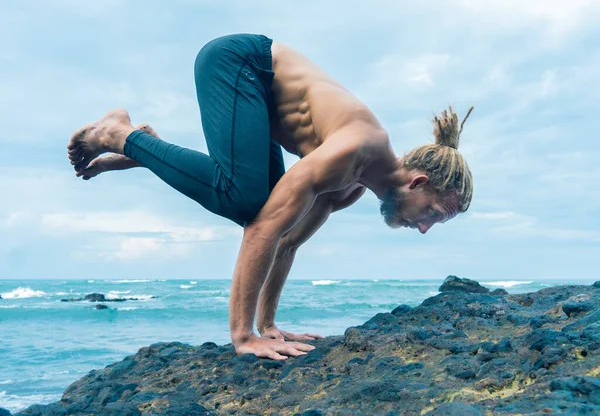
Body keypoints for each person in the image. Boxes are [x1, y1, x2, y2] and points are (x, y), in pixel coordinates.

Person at [67, 34, 474, 361]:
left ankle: (150, 151)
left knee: (255, 201)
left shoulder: (349, 188)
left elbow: (286, 241)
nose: (423, 228)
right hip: (240, 62)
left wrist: (269, 328)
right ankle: (120, 135)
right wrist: (244, 337)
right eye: (434, 215)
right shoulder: (354, 149)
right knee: (245, 201)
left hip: (259, 97)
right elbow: (262, 229)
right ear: (418, 182)